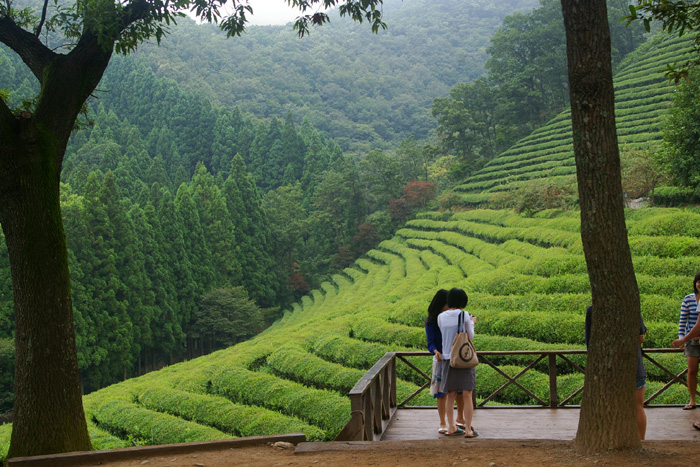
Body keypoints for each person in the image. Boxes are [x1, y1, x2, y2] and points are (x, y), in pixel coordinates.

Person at [585, 305, 648, 439]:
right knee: (638, 407)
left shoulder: (593, 309)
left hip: (606, 367)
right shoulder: (630, 306)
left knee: (608, 407)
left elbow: (589, 341)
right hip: (633, 366)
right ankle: (641, 441)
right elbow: (641, 333)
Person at [437, 287, 477, 438]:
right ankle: (468, 429)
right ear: (463, 301)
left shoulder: (441, 317)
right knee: (467, 394)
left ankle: (451, 427)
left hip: (448, 358)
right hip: (463, 358)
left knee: (450, 394)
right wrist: (472, 322)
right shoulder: (464, 315)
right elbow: (470, 336)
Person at [425, 289, 467, 434]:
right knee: (441, 393)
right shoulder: (432, 321)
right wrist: (435, 351)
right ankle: (443, 422)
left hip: (455, 358)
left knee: (460, 391)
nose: (449, 307)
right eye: (447, 304)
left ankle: (460, 418)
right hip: (441, 359)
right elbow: (430, 343)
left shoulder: (451, 317)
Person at [672, 272, 700, 411]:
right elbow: (683, 320)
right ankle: (692, 400)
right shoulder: (688, 299)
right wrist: (682, 337)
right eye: (698, 281)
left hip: (691, 337)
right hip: (692, 341)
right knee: (692, 370)